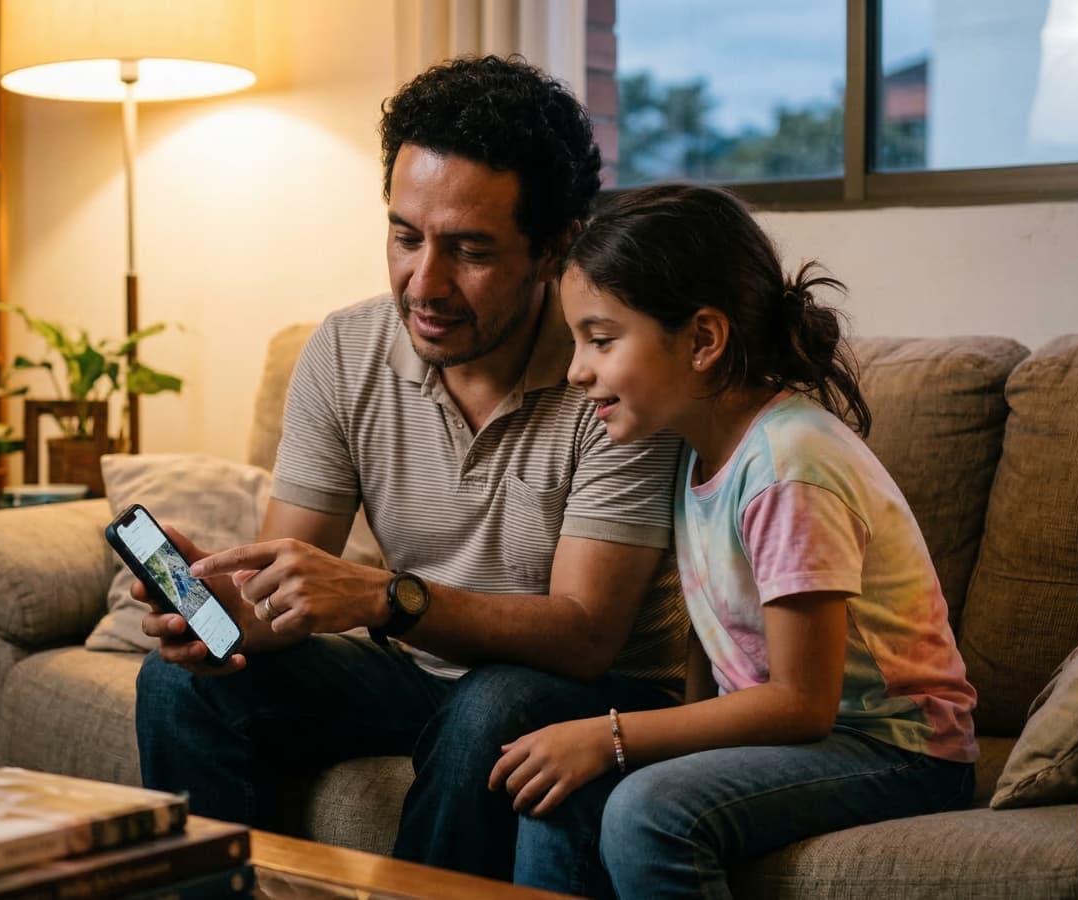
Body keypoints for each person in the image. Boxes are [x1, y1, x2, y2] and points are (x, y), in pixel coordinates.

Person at [134, 55, 685, 889]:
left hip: (596, 691)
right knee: (180, 688)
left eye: (469, 250)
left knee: (493, 704)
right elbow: (284, 594)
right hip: (417, 678)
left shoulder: (616, 371)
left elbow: (585, 634)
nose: (423, 284)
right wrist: (220, 606)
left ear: (553, 247)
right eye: (404, 236)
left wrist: (388, 599)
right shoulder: (346, 351)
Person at [493, 184, 978, 899]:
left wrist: (612, 735)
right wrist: (631, 743)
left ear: (703, 341)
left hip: (897, 750)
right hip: (801, 738)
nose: (576, 370)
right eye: (576, 342)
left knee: (647, 811)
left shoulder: (789, 467)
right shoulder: (697, 450)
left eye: (600, 339)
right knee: (563, 794)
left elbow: (802, 702)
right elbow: (716, 642)